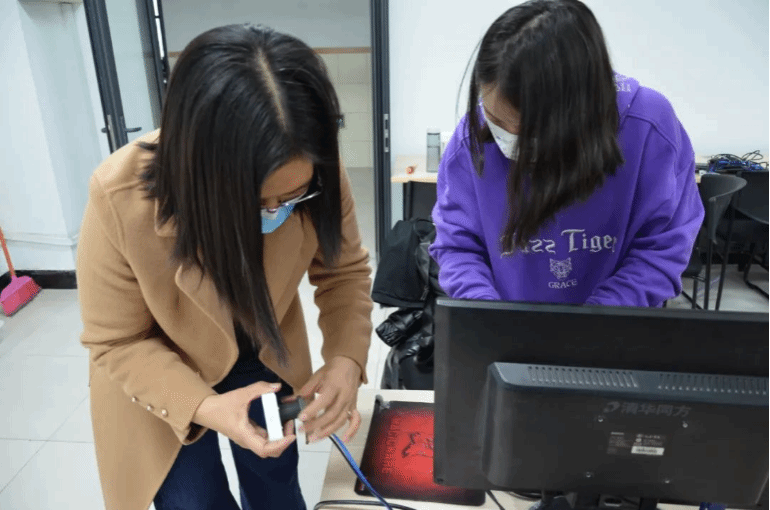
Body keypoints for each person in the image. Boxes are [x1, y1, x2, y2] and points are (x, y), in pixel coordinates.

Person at [77, 24, 373, 510]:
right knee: (194, 500)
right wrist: (205, 406)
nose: (276, 212)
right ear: (198, 172)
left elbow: (343, 272)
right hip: (161, 362)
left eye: (294, 196)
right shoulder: (119, 195)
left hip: (262, 346)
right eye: (255, 201)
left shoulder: (313, 165)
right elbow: (117, 340)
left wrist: (346, 359)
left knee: (276, 487)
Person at [430, 0, 704, 307]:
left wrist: (594, 321)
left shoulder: (648, 127)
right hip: (504, 322)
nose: (508, 139)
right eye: (497, 121)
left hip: (616, 323)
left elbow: (662, 246)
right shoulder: (472, 137)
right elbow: (458, 246)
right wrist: (486, 312)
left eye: (529, 131)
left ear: (579, 111)